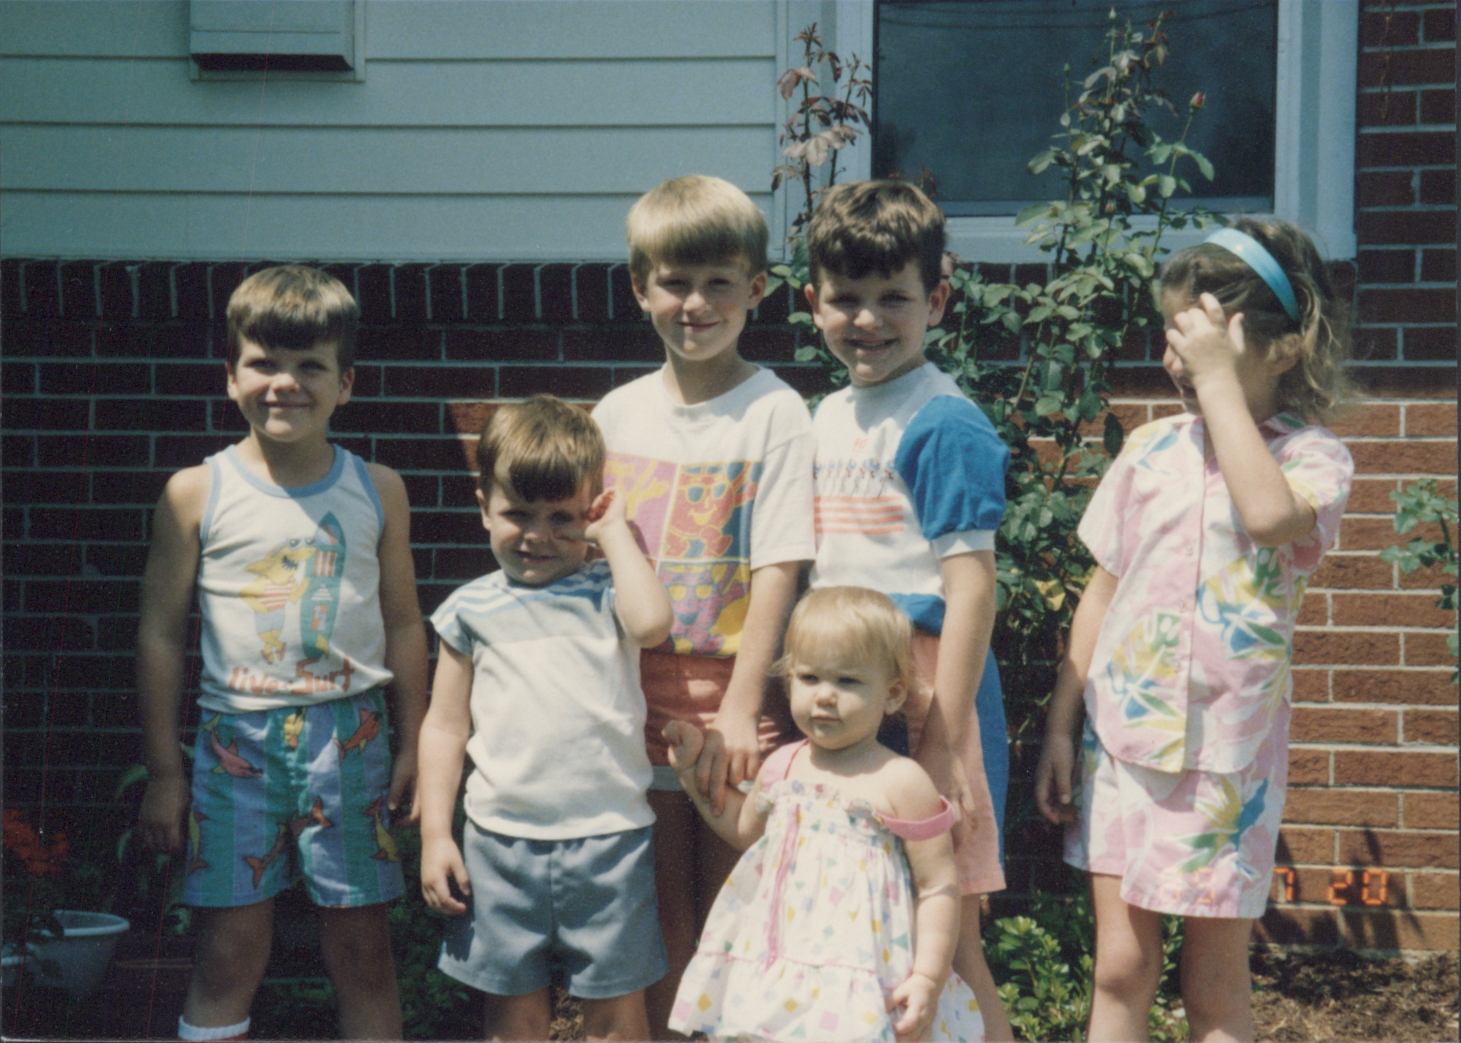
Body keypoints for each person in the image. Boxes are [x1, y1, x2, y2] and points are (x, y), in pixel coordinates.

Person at [1035, 218, 1355, 1042]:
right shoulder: (1148, 449)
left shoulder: (1311, 458)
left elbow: (1267, 515)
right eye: (1173, 337)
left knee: (1212, 981)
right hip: (1122, 745)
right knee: (1119, 965)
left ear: (1283, 348)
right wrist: (1061, 726)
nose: (1178, 360)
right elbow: (1102, 592)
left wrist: (1218, 387)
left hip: (1226, 758)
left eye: (1202, 342)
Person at [136, 265, 428, 1042]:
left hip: (350, 737)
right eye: (263, 362)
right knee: (228, 952)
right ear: (231, 376)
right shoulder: (196, 492)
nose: (285, 383)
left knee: (363, 953)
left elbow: (404, 623)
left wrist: (414, 744)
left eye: (310, 366)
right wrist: (164, 770)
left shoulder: (378, 489)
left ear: (346, 383)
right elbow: (159, 633)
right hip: (237, 739)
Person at [591, 174, 817, 1038]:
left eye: (719, 282)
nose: (695, 304)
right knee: (659, 922)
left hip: (731, 705)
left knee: (735, 918)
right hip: (629, 702)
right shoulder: (616, 414)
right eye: (675, 282)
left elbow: (777, 567)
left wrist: (740, 703)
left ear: (756, 288)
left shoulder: (773, 412)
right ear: (639, 287)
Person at [801, 179, 1014, 1039]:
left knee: (948, 936)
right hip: (845, 687)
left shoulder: (941, 421)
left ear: (937, 300)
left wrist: (940, 740)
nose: (867, 319)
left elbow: (972, 589)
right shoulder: (825, 416)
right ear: (812, 302)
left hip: (928, 689)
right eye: (845, 298)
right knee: (861, 922)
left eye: (892, 297)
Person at [417, 395, 674, 1042]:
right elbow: (444, 727)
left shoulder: (610, 591)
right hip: (500, 841)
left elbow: (652, 625)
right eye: (518, 514)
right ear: (484, 507)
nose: (538, 535)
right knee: (514, 1017)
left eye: (563, 517)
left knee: (617, 1016)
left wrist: (613, 534)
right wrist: (436, 835)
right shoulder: (468, 610)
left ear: (592, 511)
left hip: (610, 839)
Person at [664, 586, 986, 1043]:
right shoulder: (783, 765)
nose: (825, 697)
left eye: (848, 681)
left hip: (862, 972)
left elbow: (937, 885)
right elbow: (743, 829)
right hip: (781, 964)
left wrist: (927, 978)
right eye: (810, 678)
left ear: (892, 694)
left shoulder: (901, 780)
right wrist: (692, 774)